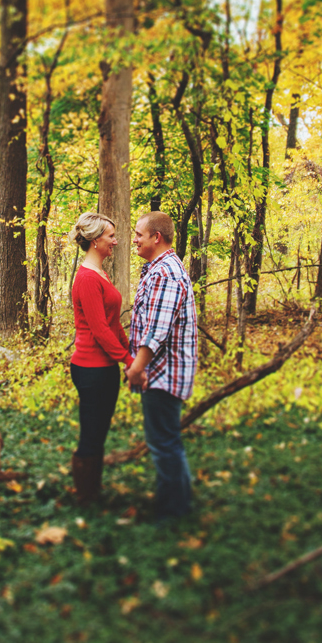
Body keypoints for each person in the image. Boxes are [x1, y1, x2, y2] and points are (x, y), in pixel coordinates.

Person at [127, 210, 198, 521]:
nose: (134, 240)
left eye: (139, 234)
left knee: (164, 443)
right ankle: (178, 502)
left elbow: (157, 330)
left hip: (162, 374)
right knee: (167, 440)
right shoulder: (161, 269)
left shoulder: (164, 273)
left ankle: (173, 513)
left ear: (156, 237)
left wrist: (137, 367)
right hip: (164, 372)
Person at [69, 211, 131, 504]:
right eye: (110, 236)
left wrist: (129, 353)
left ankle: (92, 491)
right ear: (95, 241)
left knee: (100, 429)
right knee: (92, 433)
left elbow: (114, 323)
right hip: (91, 368)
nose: (115, 242)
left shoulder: (100, 274)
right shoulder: (86, 279)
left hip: (105, 368)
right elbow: (100, 330)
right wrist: (129, 361)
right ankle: (85, 497)